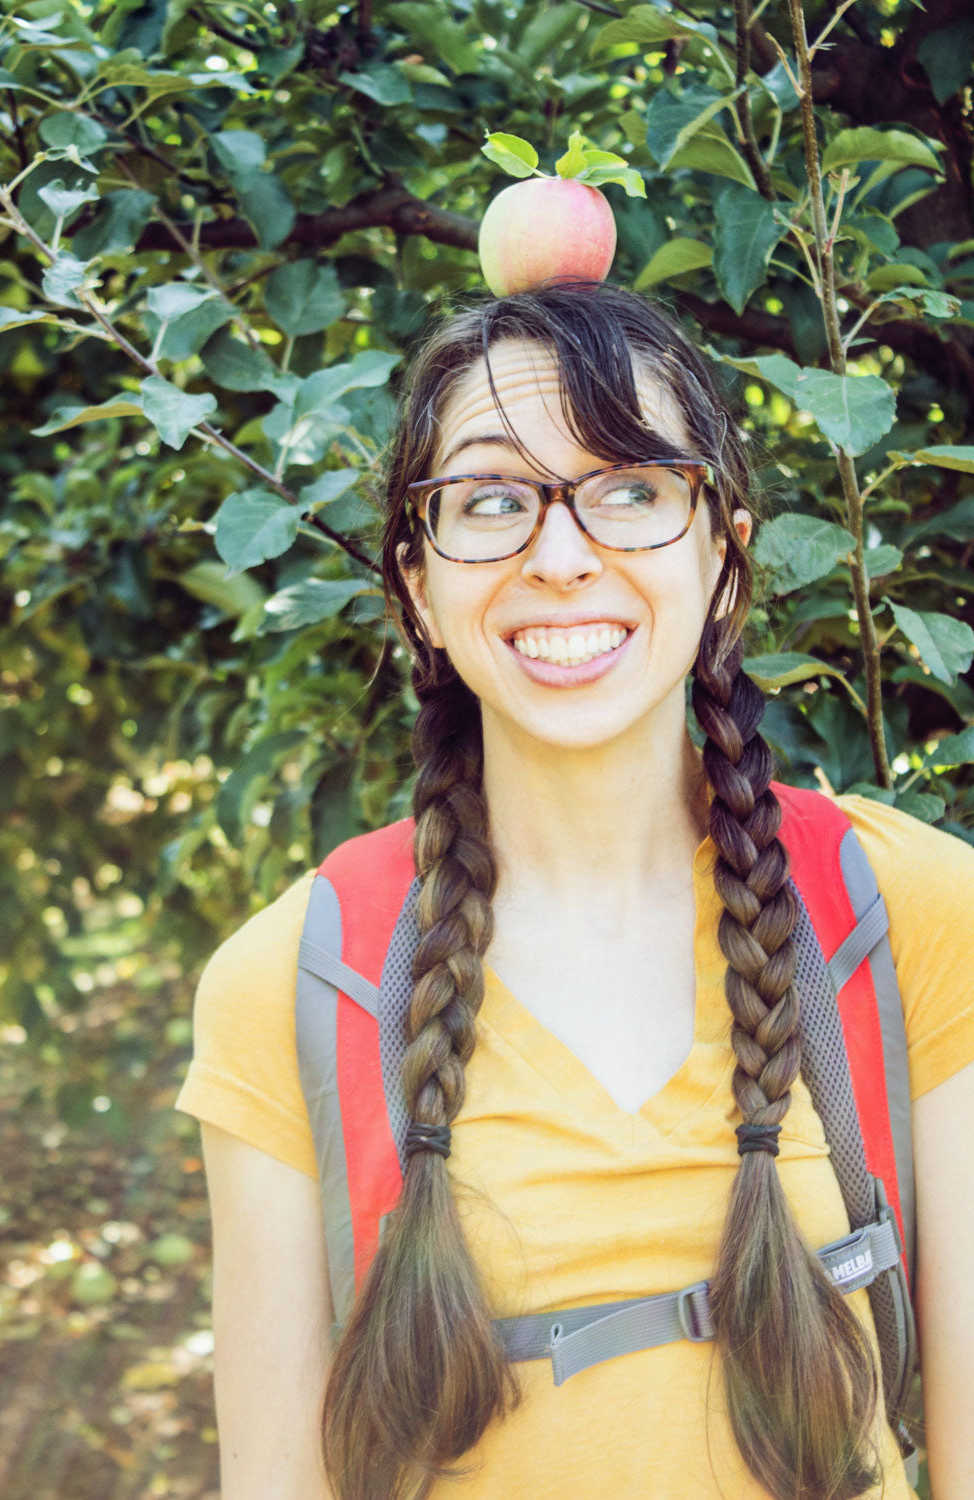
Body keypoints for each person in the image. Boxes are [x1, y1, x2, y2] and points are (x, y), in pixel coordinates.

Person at [176, 282, 974, 1500]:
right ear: (416, 587)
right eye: (491, 501)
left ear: (724, 558)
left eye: (632, 491)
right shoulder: (294, 983)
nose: (560, 557)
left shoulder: (902, 909)